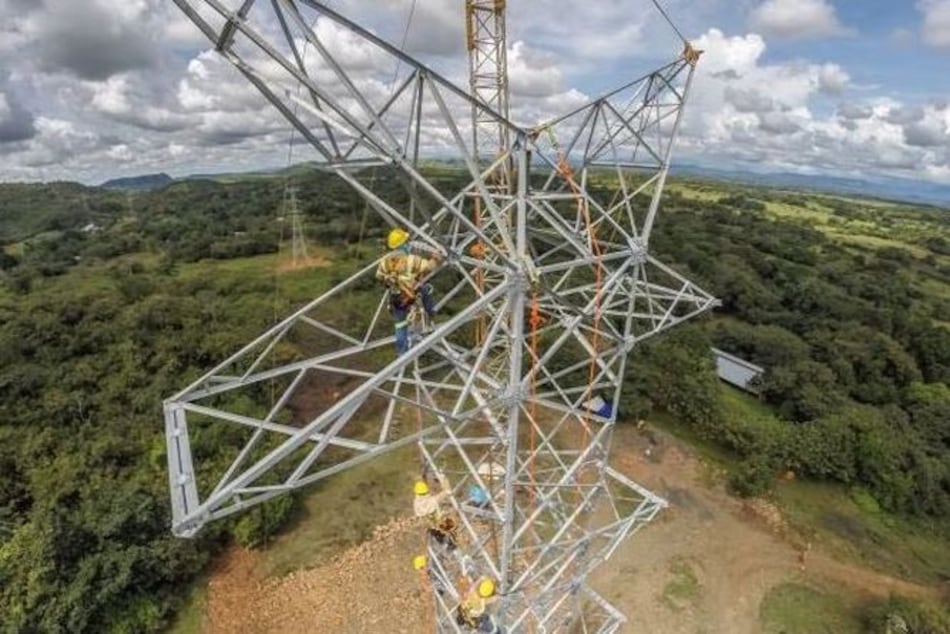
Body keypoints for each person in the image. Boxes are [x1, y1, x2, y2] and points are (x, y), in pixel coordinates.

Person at [375, 228, 441, 355]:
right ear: (403, 244)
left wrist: (392, 279)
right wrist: (436, 258)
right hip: (412, 296)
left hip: (396, 298)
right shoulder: (411, 259)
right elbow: (429, 267)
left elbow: (379, 276)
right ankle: (430, 312)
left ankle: (402, 353)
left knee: (400, 326)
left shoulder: (385, 261)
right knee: (425, 290)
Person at [412, 473, 458, 550]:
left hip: (430, 528)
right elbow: (447, 491)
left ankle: (450, 546)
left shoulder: (416, 503)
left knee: (444, 540)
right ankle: (452, 546)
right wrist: (443, 478)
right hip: (440, 524)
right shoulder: (432, 501)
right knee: (451, 532)